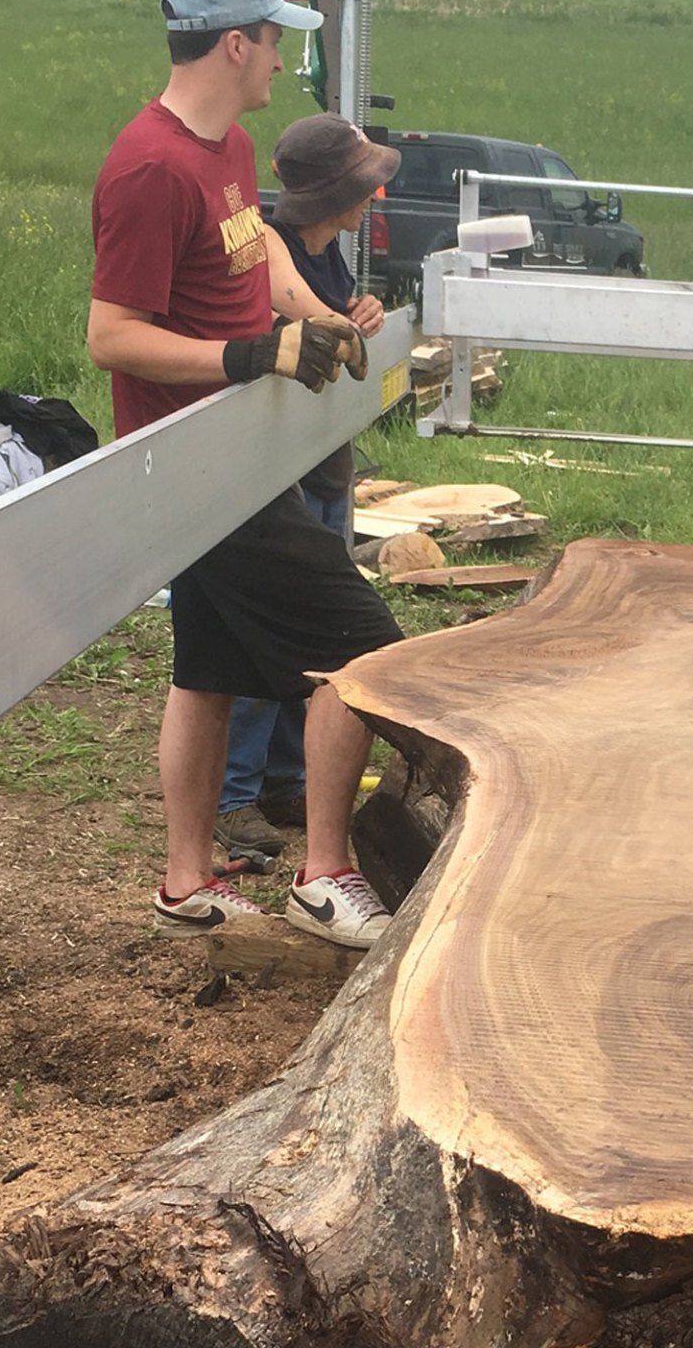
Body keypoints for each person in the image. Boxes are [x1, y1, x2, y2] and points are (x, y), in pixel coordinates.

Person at [87, 0, 402, 947]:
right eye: (273, 42)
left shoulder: (225, 148)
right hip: (194, 472)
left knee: (206, 671)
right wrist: (250, 356)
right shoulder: (149, 167)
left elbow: (256, 248)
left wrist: (315, 317)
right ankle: (325, 876)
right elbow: (111, 336)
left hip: (236, 459)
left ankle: (187, 884)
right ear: (235, 45)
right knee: (364, 652)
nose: (280, 61)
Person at [213, 113, 398, 866]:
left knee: (318, 649)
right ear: (332, 194)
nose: (371, 200)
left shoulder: (330, 254)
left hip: (326, 462)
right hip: (277, 470)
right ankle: (235, 796)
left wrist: (361, 317)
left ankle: (289, 778)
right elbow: (282, 331)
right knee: (269, 639)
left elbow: (336, 328)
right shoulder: (271, 248)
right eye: (361, 187)